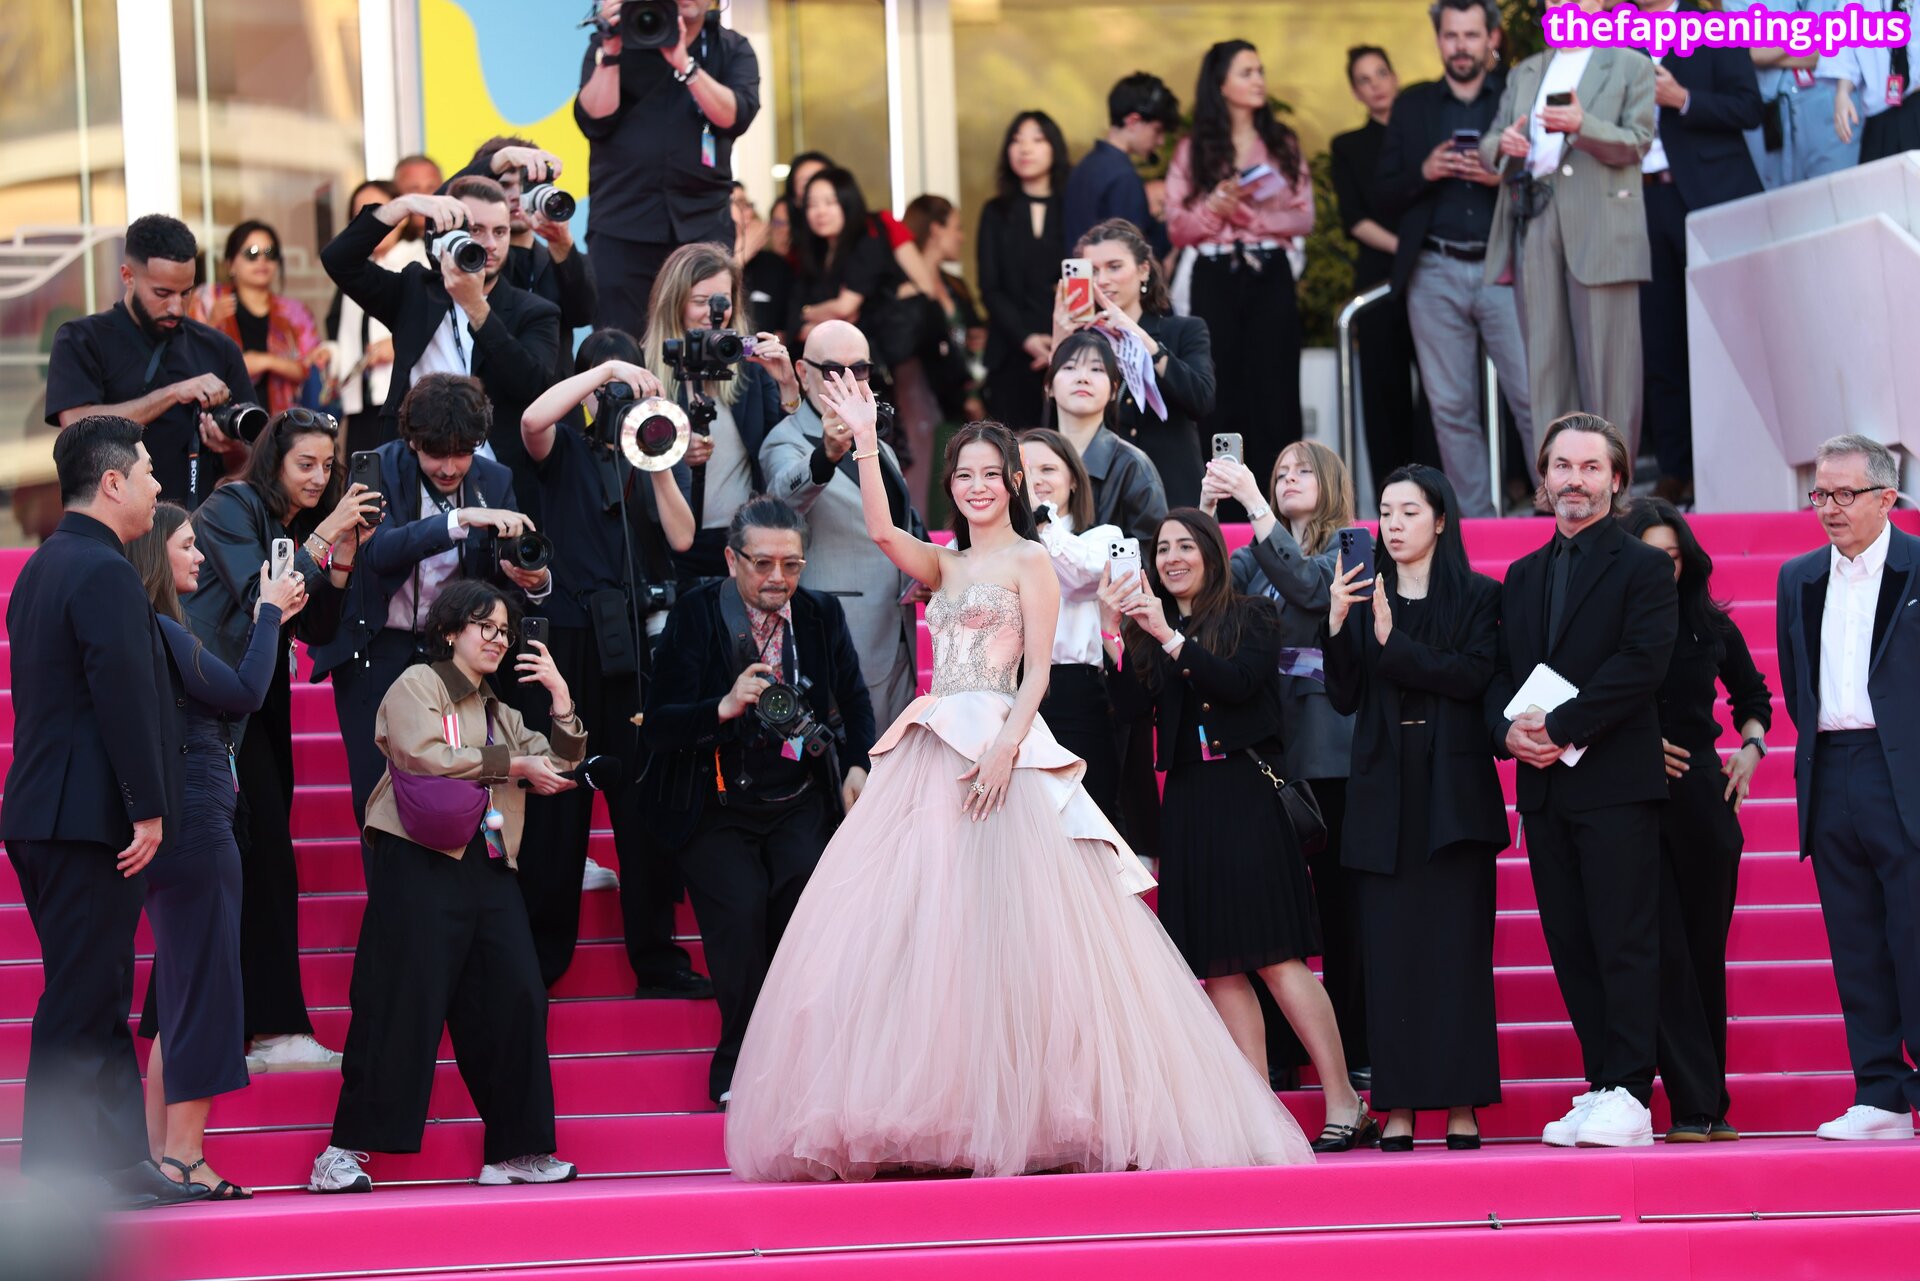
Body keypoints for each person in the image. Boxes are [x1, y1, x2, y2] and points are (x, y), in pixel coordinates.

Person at [726, 401, 1313, 1179]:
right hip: (936, 746)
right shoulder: (947, 562)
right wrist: (865, 444)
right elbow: (882, 533)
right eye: (962, 475)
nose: (975, 486)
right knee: (937, 931)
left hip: (1005, 743)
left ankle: (1040, 1108)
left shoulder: (1031, 561)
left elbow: (1037, 670)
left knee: (1027, 931)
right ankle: (947, 1109)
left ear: (1010, 482)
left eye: (988, 474)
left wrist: (1007, 747)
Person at [1099, 508, 1370, 1154]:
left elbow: (1241, 684)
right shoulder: (1149, 627)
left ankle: (1344, 1099)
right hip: (1188, 802)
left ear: (1212, 553)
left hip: (1247, 795)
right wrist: (1113, 631)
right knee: (1219, 967)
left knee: (1276, 958)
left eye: (1185, 546)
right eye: (1163, 549)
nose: (1172, 558)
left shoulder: (1252, 615)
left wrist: (1169, 637)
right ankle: (1259, 1117)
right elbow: (1132, 708)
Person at [308, 581, 585, 1193]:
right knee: (399, 1001)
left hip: (489, 864)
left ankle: (515, 1151)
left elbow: (561, 765)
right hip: (419, 859)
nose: (498, 639)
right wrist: (510, 765)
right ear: (450, 631)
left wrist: (562, 699)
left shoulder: (501, 712)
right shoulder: (418, 684)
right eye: (485, 626)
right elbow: (422, 753)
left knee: (516, 998)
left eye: (505, 631)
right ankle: (341, 1153)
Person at [0, 417, 198, 1208]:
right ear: (112, 482)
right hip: (86, 819)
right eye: (148, 472)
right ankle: (56, 1173)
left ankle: (118, 1163)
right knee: (82, 997)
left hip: (52, 811)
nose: (158, 485)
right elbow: (122, 695)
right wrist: (146, 807)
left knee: (99, 985)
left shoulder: (45, 567)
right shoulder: (104, 570)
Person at [642, 497, 877, 1108]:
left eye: (792, 565)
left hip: (798, 796)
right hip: (713, 799)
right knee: (740, 913)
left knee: (801, 913)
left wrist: (857, 764)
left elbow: (855, 701)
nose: (778, 577)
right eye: (763, 563)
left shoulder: (820, 614)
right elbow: (658, 726)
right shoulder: (697, 613)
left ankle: (798, 1059)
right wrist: (722, 706)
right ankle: (740, 1058)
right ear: (731, 560)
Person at [1488, 412, 1678, 1149]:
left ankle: (1631, 1089)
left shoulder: (1643, 567)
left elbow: (1641, 664)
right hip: (1545, 790)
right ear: (1543, 479)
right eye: (1562, 466)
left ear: (1616, 479)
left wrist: (1561, 727)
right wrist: (1507, 732)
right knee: (1570, 941)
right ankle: (1602, 1083)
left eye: (1590, 467)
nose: (1575, 480)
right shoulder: (1522, 575)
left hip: (1615, 783)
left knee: (1623, 939)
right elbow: (1501, 673)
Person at [187, 409, 380, 1070]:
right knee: (264, 853)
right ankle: (270, 1029)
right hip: (218, 696)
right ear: (273, 460)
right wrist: (325, 533)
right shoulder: (232, 505)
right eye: (306, 464)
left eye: (327, 465)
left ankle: (234, 1025)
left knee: (259, 852)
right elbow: (261, 596)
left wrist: (343, 551)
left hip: (259, 694)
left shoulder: (294, 524)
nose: (319, 477)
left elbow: (317, 628)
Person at [518, 332, 708, 995]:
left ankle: (656, 957)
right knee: (558, 796)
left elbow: (682, 536)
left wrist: (655, 453)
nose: (617, 397)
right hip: (567, 638)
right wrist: (603, 372)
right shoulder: (561, 447)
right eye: (608, 388)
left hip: (634, 636)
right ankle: (541, 958)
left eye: (629, 384)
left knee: (641, 798)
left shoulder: (656, 446)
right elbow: (532, 420)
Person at [127, 504, 306, 1199]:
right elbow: (245, 692)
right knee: (201, 996)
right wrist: (269, 613)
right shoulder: (164, 627)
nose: (199, 557)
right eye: (186, 544)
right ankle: (184, 1158)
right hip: (199, 827)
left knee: (179, 997)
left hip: (182, 825)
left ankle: (162, 1157)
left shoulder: (148, 630)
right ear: (154, 554)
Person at [1326, 465, 1506, 1151]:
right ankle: (1397, 1104)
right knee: (1390, 955)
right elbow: (1344, 696)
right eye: (1385, 512)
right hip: (1383, 792)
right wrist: (1337, 624)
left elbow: (1473, 676)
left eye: (1408, 511)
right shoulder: (1362, 593)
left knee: (1458, 953)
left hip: (1452, 793)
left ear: (1440, 519)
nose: (1393, 524)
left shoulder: (1478, 597)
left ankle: (1462, 1102)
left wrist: (1392, 645)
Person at [306, 374, 552, 839]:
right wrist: (458, 519)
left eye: (463, 453)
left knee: (456, 785)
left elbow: (503, 582)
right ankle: (388, 885)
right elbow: (377, 552)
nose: (450, 467)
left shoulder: (494, 479)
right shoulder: (378, 467)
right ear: (413, 440)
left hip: (454, 655)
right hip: (376, 645)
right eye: (437, 452)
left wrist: (534, 580)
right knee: (377, 793)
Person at [1202, 440, 1367, 1086]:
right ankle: (1280, 1053)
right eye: (1278, 473)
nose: (1287, 479)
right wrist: (1208, 511)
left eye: (1301, 470)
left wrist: (1253, 504)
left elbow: (1310, 590)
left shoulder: (1349, 546)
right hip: (1264, 743)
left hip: (1327, 745)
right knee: (1269, 905)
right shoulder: (1251, 556)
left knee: (1341, 902)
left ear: (1330, 480)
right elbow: (1208, 592)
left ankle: (1355, 1047)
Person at [1776, 434, 1920, 1141]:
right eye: (1820, 494)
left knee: (1914, 932)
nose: (1829, 507)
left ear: (1887, 498)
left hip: (1906, 772)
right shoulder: (1798, 577)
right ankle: (1881, 1092)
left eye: (1844, 493)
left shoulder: (1917, 565)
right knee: (1855, 939)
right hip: (1831, 767)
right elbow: (1796, 680)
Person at [1621, 497, 1772, 1142]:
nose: (1664, 568)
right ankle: (1693, 1105)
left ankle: (1711, 1103)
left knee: (1704, 954)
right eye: (1651, 556)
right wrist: (1632, 745)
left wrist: (1752, 746)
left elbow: (1753, 696)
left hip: (1704, 806)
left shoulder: (1709, 625)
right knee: (1665, 953)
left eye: (1674, 557)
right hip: (1632, 801)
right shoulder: (1609, 625)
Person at [1373, 0, 1533, 518]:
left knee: (1532, 396)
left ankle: (1561, 515)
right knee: (1449, 409)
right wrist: (1425, 170)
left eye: (1470, 35)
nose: (1460, 46)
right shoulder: (1413, 104)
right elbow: (1383, 194)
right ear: (1438, 39)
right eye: (1450, 36)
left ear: (1492, 38)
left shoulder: (1517, 93)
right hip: (1434, 269)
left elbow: (1553, 177)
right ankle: (1478, 525)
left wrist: (1503, 176)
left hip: (1506, 264)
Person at [319, 178, 563, 487]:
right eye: (477, 230)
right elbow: (338, 260)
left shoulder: (535, 311)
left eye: (500, 232)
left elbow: (532, 385)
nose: (490, 243)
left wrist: (476, 307)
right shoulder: (415, 292)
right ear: (449, 234)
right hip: (410, 475)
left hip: (497, 478)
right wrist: (403, 205)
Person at [1484, 18, 1654, 460]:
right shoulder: (1527, 69)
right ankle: (1556, 482)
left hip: (1602, 223)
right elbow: (1491, 141)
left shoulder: (1630, 63)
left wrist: (1583, 125)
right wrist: (1503, 145)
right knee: (1544, 364)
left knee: (1609, 367)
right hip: (1536, 215)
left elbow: (1639, 141)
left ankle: (1614, 483)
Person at [1165, 40, 1313, 496]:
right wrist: (1214, 207)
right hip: (1214, 272)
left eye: (1260, 71)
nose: (1258, 80)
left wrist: (1247, 216)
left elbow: (1303, 217)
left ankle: (1283, 502)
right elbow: (1177, 228)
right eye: (1246, 72)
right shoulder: (1193, 149)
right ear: (1220, 84)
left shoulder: (1282, 143)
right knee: (1219, 391)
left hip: (1269, 269)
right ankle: (1222, 509)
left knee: (1277, 389)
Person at [759, 321, 921, 727]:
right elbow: (781, 502)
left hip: (898, 627)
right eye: (833, 369)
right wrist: (825, 456)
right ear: (803, 372)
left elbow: (900, 523)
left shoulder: (878, 442)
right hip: (841, 629)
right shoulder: (786, 439)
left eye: (859, 369)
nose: (848, 381)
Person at [1635, 0, 1763, 505]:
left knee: (1729, 339)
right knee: (1660, 340)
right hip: (1641, 201)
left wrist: (1682, 98)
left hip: (1711, 197)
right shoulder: (1612, 36)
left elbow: (1748, 107)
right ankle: (1675, 470)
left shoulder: (1716, 25)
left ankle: (1738, 461)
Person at [575, 0, 761, 336]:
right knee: (619, 340)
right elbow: (593, 118)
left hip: (702, 223)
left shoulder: (731, 48)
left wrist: (685, 64)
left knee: (708, 339)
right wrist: (612, 52)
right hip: (623, 222)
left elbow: (735, 116)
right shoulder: (620, 37)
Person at [43, 215, 254, 508]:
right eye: (162, 293)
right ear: (127, 276)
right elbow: (77, 427)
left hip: (200, 526)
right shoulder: (82, 339)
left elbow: (253, 462)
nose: (176, 307)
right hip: (115, 528)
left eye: (186, 293)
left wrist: (229, 446)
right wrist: (173, 393)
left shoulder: (218, 348)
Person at [644, 241, 800, 579]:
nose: (712, 313)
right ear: (674, 301)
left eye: (722, 302)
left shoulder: (750, 369)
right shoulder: (644, 371)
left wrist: (788, 385)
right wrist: (670, 453)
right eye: (700, 301)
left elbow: (784, 453)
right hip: (669, 543)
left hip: (743, 541)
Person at [1052, 218, 1216, 506]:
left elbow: (1201, 399)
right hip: (1102, 497)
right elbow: (1054, 426)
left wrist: (1140, 338)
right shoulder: (1083, 342)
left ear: (1143, 270)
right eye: (1093, 271)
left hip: (1174, 493)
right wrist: (1059, 342)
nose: (1102, 280)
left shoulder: (1183, 330)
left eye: (1114, 267)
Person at [1330, 46, 1437, 483]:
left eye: (1381, 74)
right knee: (1383, 392)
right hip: (1380, 278)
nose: (1375, 85)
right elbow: (1354, 219)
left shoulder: (1426, 137)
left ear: (1395, 77)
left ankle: (1438, 492)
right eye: (1364, 80)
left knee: (1438, 392)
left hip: (1433, 273)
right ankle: (1392, 496)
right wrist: (1406, 250)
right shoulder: (1348, 146)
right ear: (1355, 92)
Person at [1019, 428, 1124, 820]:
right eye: (1024, 469)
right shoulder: (991, 543)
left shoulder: (1102, 537)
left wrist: (1037, 515)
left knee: (1085, 818)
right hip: (1008, 690)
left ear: (1074, 480)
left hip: (1075, 692)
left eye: (1047, 469)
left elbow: (1084, 578)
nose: (1035, 479)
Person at [444, 138, 599, 382]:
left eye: (526, 185)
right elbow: (436, 208)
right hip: (480, 396)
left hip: (555, 399)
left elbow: (583, 314)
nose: (516, 195)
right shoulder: (461, 261)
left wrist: (561, 244)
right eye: (505, 185)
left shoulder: (563, 256)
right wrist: (498, 160)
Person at [978, 110, 1071, 431]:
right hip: (1011, 351)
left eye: (1037, 140)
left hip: (1066, 349)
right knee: (1012, 448)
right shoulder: (996, 212)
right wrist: (1027, 339)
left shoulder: (1073, 208)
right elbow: (989, 288)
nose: (1025, 149)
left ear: (1055, 148)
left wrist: (1061, 339)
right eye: (1017, 141)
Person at [325, 180, 426, 458]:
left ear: (401, 218)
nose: (371, 223)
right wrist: (331, 352)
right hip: (361, 401)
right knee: (362, 476)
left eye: (379, 211)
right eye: (360, 216)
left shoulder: (421, 258)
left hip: (407, 399)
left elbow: (438, 321)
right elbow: (342, 330)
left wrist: (397, 345)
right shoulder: (355, 268)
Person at [1042, 330, 1167, 544]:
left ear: (1113, 391)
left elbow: (1151, 550)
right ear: (1049, 387)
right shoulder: (1026, 460)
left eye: (1097, 369)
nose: (1083, 378)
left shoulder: (1132, 466)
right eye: (1070, 367)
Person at [188, 220, 325, 418]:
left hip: (283, 422)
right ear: (231, 264)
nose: (262, 260)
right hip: (221, 419)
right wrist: (212, 323)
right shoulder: (209, 300)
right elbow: (190, 357)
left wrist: (265, 361)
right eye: (251, 253)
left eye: (269, 253)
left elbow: (311, 368)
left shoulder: (295, 313)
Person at [1063, 72, 1181, 252]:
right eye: (1157, 130)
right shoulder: (1123, 177)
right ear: (1133, 121)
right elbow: (1135, 252)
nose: (1161, 141)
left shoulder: (1085, 166)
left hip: (1080, 268)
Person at [1746, 0, 1859, 190]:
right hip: (1773, 118)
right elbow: (1754, 52)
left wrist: (1775, 41)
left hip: (1832, 112)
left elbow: (1844, 46)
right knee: (1786, 204)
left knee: (1840, 196)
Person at [900, 194, 987, 428]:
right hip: (922, 405)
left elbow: (974, 334)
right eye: (957, 228)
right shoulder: (903, 287)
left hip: (966, 405)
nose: (962, 237)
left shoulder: (955, 285)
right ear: (936, 229)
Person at [1829, 0, 1920, 164]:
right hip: (1880, 113)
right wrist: (1842, 93)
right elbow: (1844, 41)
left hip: (1916, 99)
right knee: (1877, 178)